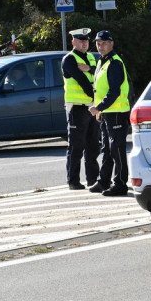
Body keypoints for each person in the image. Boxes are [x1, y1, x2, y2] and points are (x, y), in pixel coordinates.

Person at [88, 30, 131, 197]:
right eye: (98, 44)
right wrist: (100, 110)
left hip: (117, 111)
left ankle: (120, 183)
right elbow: (100, 89)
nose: (100, 46)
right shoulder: (102, 61)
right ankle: (104, 180)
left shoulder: (114, 63)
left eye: (104, 43)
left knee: (117, 149)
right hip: (108, 112)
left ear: (111, 43)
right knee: (107, 148)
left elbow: (114, 91)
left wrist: (99, 107)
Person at [62, 29, 99, 190]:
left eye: (86, 40)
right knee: (76, 146)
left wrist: (90, 68)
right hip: (77, 108)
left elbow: (98, 75)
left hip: (92, 108)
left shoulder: (91, 58)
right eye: (80, 40)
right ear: (73, 42)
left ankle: (92, 180)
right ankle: (73, 181)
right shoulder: (69, 59)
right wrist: (95, 99)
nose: (84, 43)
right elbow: (82, 81)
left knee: (93, 146)